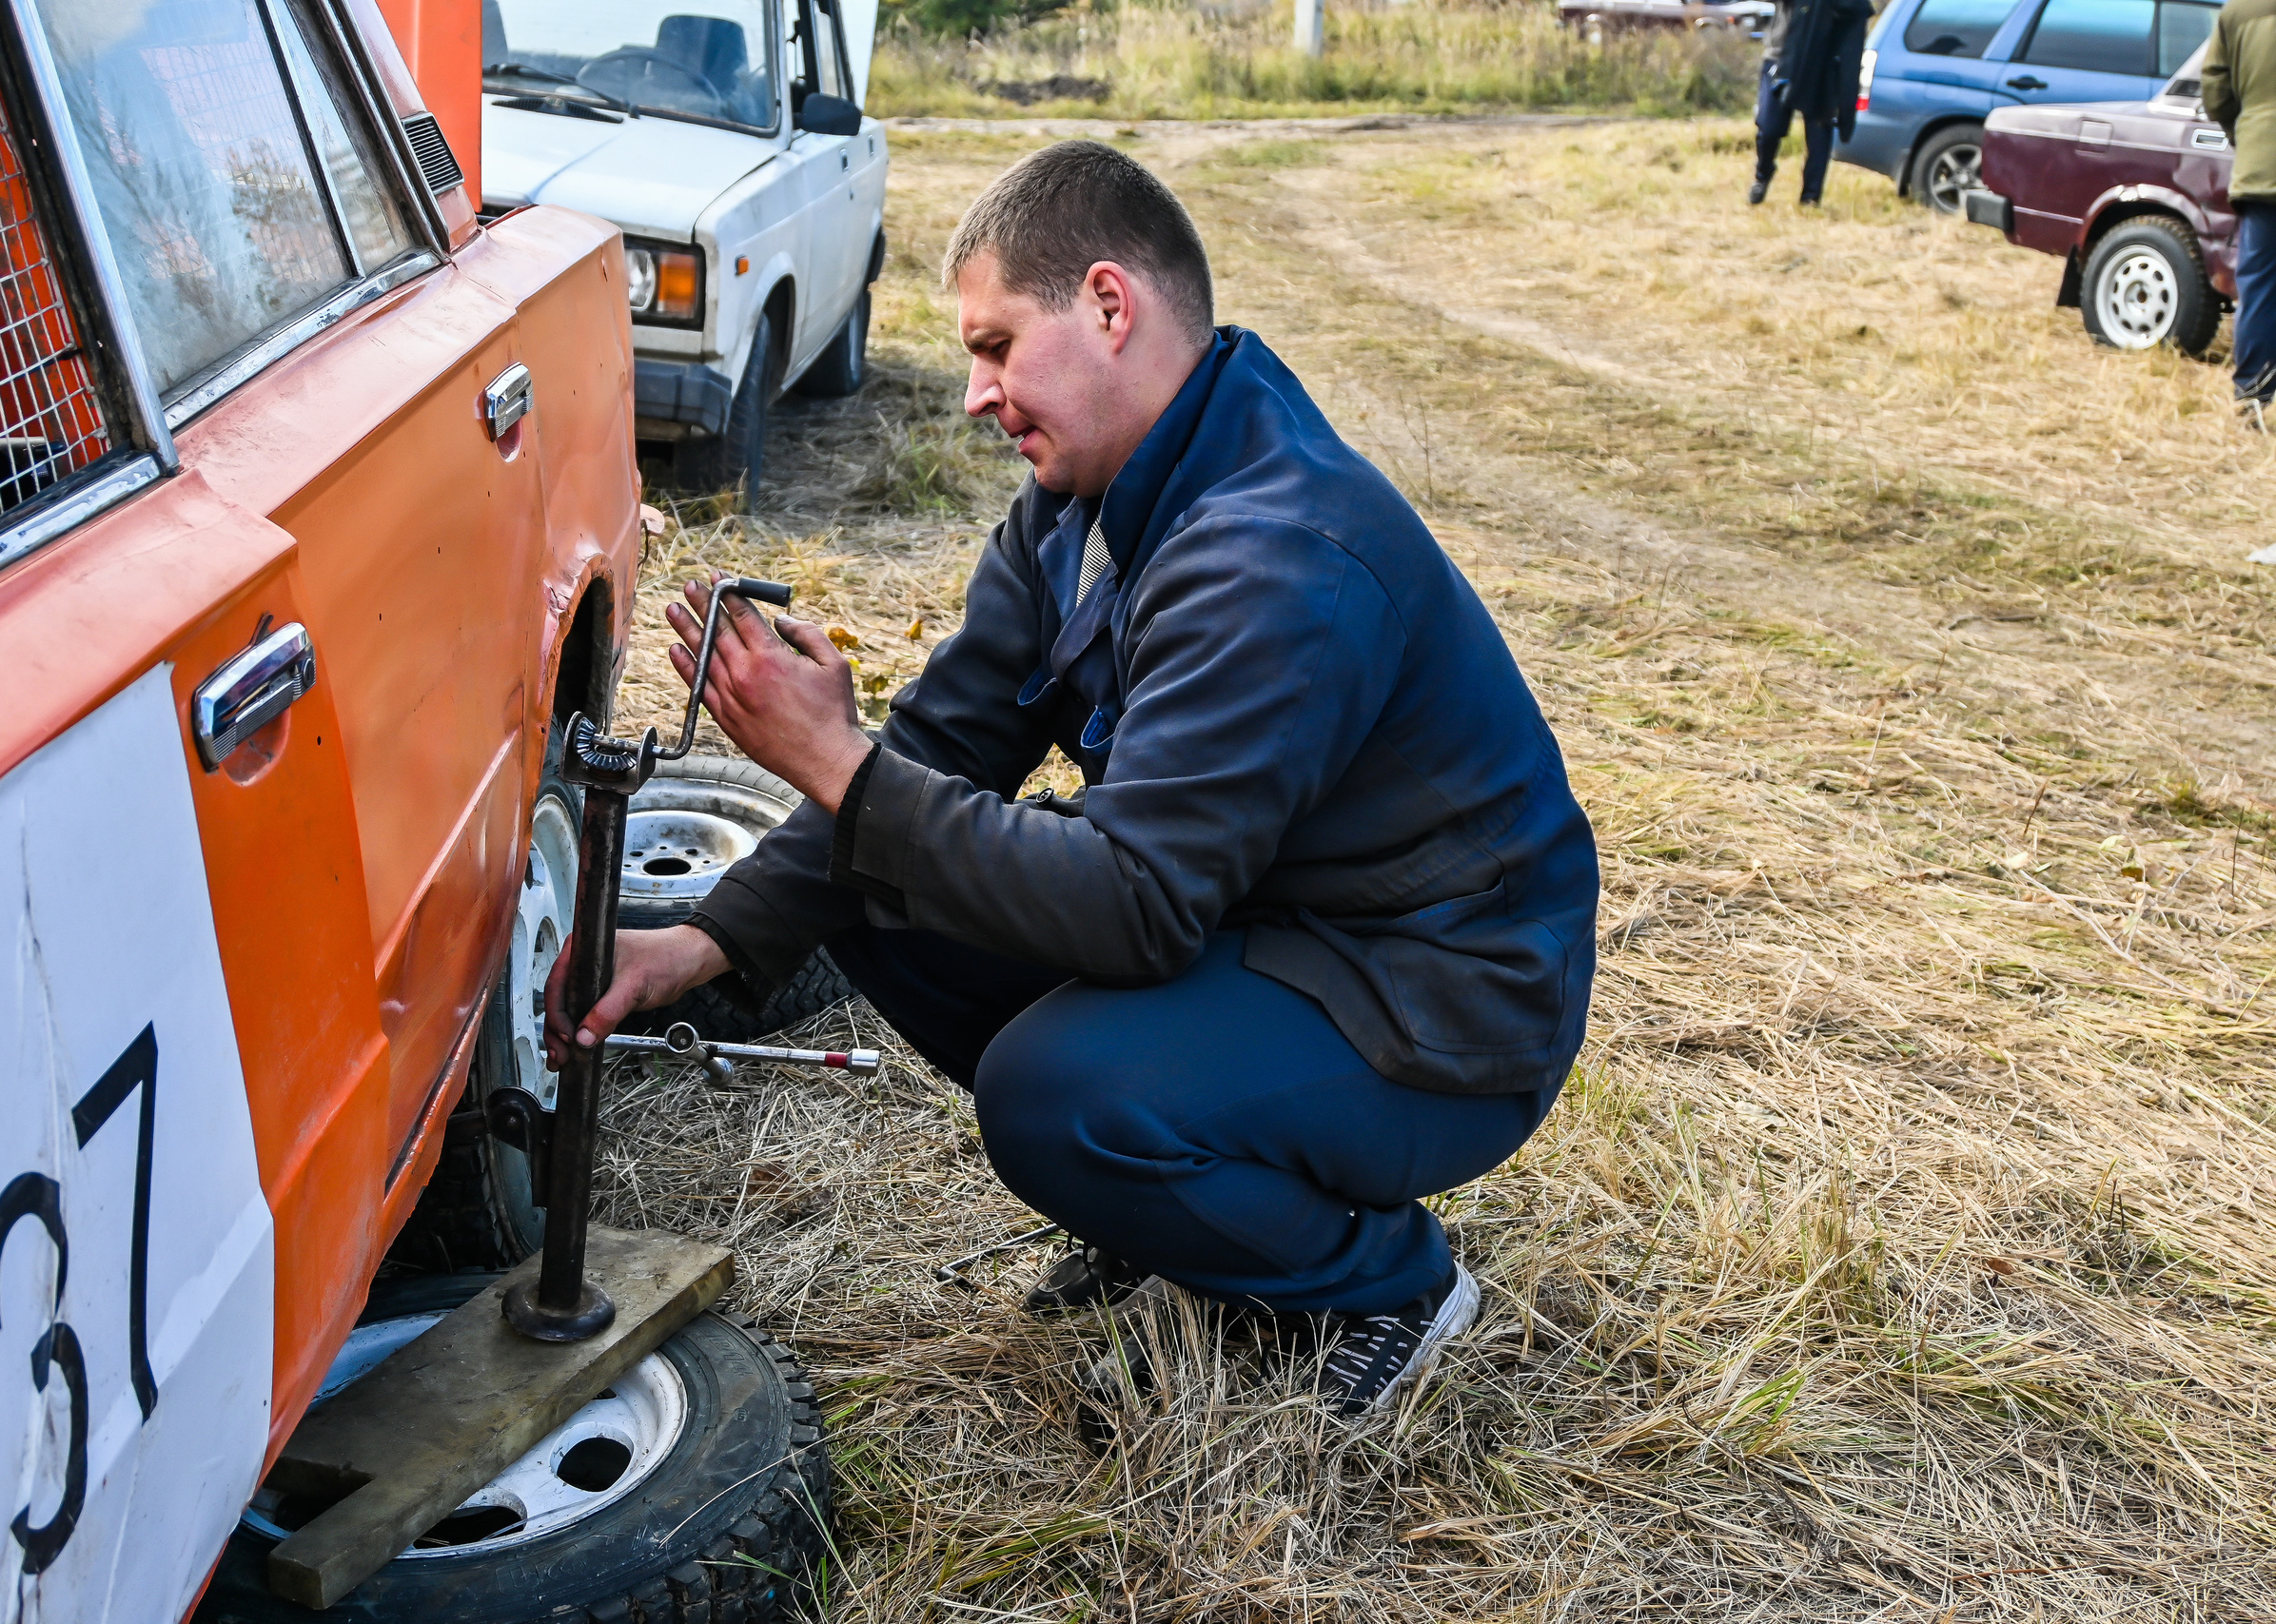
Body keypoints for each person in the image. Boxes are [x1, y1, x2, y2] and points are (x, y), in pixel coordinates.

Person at [547, 142, 1599, 1418]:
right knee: (883, 880)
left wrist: (832, 758)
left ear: (1108, 304)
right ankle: (1181, 1206)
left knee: (1055, 1095)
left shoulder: (1276, 551)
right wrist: (701, 940)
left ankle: (1388, 1283)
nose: (974, 396)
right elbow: (943, 747)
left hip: (1438, 1003)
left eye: (996, 347)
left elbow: (1135, 906)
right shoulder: (1084, 501)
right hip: (1271, 924)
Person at [2205, 0, 2276, 430]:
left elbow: (2215, 89)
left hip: (2261, 172)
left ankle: (2253, 397)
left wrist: (2247, 133)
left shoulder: (2238, 12)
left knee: (2260, 287)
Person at [1750, 0, 1872, 207]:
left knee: (1819, 130)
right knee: (1769, 128)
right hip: (1780, 56)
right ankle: (1763, 174)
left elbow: (1855, 12)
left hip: (1822, 61)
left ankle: (1810, 197)